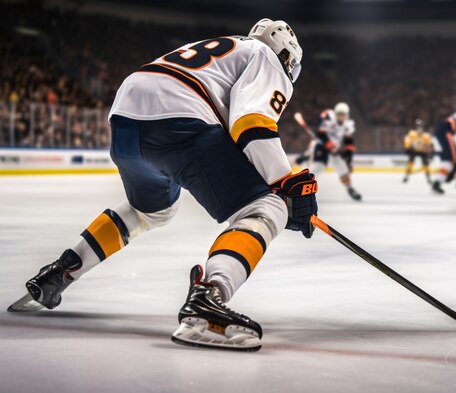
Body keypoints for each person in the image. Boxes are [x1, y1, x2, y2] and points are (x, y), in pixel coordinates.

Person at [10, 19, 318, 352]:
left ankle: (62, 270)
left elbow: (233, 127)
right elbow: (251, 122)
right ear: (288, 56)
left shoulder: (229, 46)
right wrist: (283, 185)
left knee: (150, 212)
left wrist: (275, 179)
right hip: (179, 117)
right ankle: (208, 298)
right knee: (267, 207)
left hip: (126, 119)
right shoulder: (267, 57)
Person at [309, 102, 362, 201]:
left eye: (343, 115)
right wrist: (331, 146)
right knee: (317, 168)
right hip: (322, 146)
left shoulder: (348, 124)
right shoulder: (329, 117)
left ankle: (349, 188)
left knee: (343, 168)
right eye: (339, 114)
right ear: (335, 113)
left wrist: (348, 157)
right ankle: (302, 189)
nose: (341, 117)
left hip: (334, 149)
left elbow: (348, 141)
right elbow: (321, 134)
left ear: (346, 115)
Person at [402, 119, 433, 184]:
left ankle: (428, 178)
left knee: (425, 164)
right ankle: (406, 176)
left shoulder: (426, 136)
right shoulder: (412, 134)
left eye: (421, 129)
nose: (420, 130)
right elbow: (407, 140)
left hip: (423, 151)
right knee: (410, 162)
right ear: (416, 129)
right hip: (414, 151)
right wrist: (408, 148)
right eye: (418, 129)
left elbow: (430, 144)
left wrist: (430, 150)